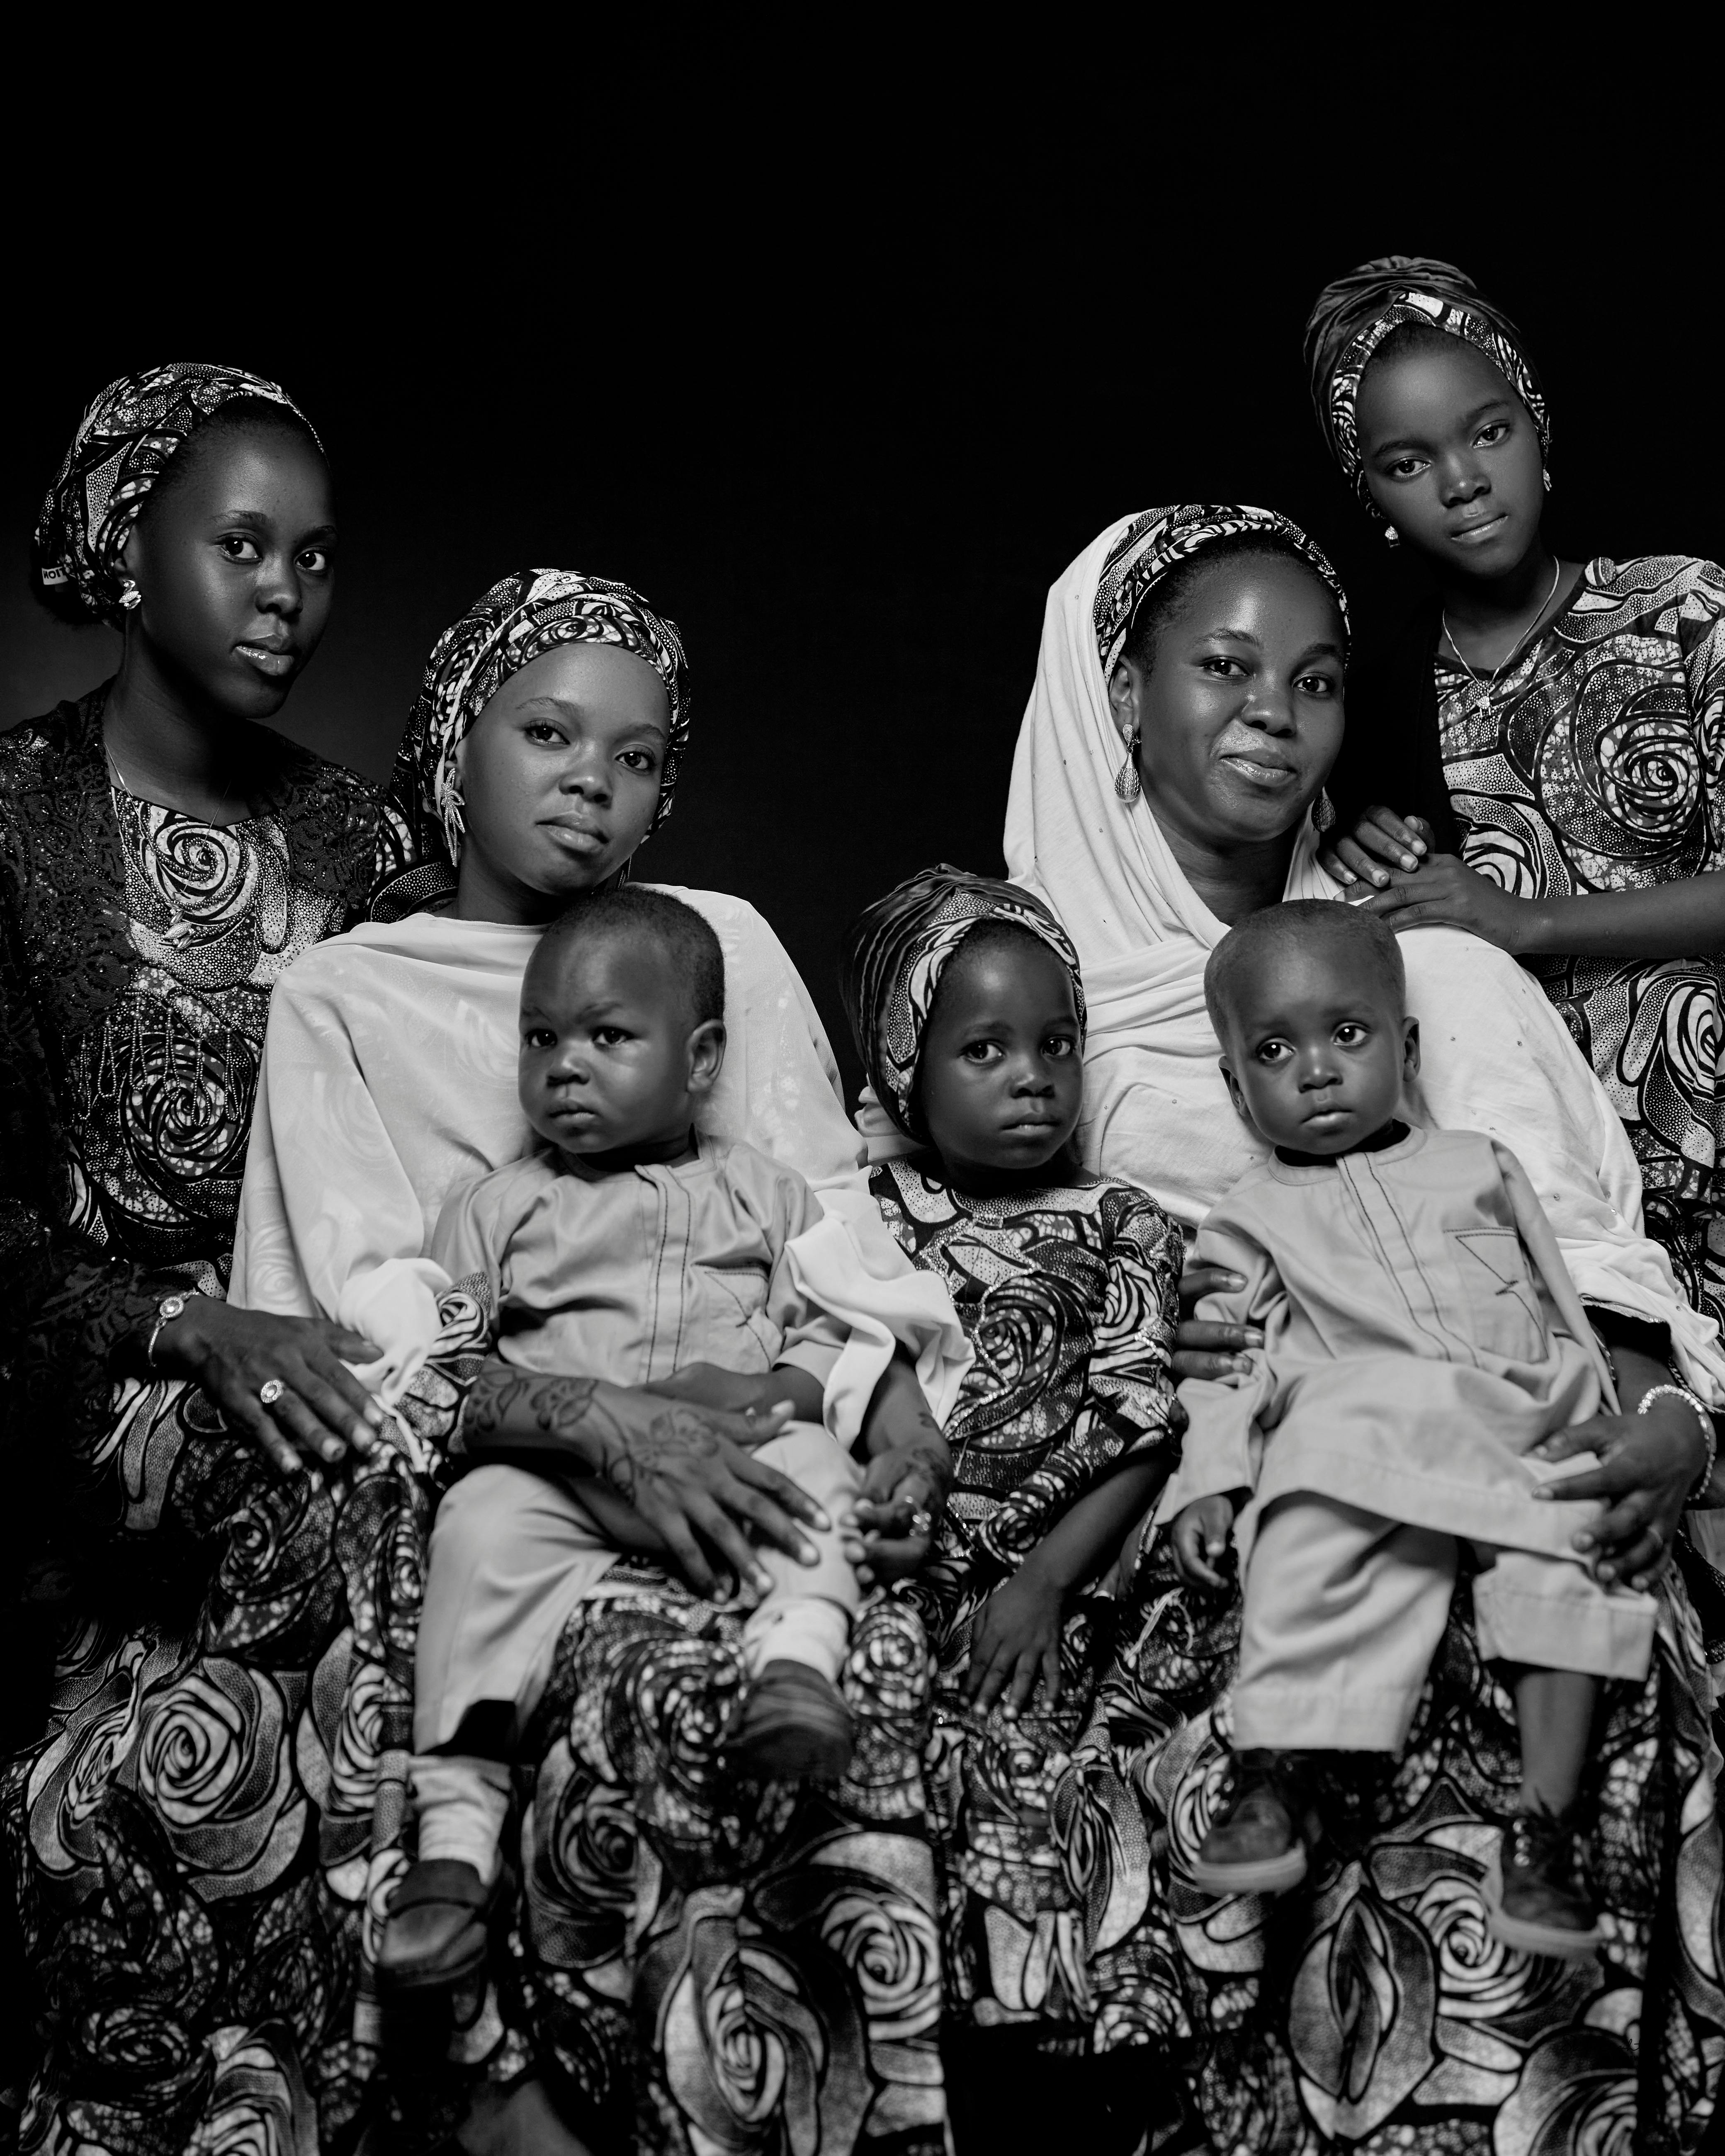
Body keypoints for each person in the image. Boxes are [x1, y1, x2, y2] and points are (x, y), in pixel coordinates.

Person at [1002, 501, 1725, 2150]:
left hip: (1520, 1461)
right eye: (1222, 667)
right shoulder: (1024, 997)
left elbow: (1581, 1265)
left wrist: (1662, 1427)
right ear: (1120, 691)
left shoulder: (1427, 968)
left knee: (1547, 1639)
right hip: (1248, 1490)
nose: (1275, 708)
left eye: (1315, 677)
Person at [232, 568, 961, 2154]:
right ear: (453, 744)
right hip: (515, 1452)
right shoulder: (343, 994)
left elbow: (827, 1226)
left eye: (637, 758)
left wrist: (891, 1399)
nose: (592, 780)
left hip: (752, 1415)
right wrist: (590, 1422)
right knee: (572, 1624)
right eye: (549, 731)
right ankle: (494, 1980)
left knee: (855, 1636)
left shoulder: (720, 946)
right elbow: (379, 1317)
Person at [0, 363, 399, 2156]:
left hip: (321, 1365)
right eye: (239, 544)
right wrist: (179, 1321)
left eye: (312, 558)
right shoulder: (11, 822)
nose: (284, 598)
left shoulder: (359, 846)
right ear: (130, 542)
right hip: (72, 1395)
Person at [382, 886, 957, 1998]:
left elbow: (851, 1334)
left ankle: (794, 1670)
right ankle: (452, 1842)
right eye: (541, 1037)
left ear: (699, 1062)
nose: (565, 1065)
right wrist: (532, 1409)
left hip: (742, 1458)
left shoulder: (770, 1199)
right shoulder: (496, 1208)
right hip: (564, 1471)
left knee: (818, 1480)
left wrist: (887, 1447)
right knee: (476, 1524)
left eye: (608, 1036)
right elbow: (442, 1369)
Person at [1168, 899, 1684, 1958]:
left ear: (1404, 1050)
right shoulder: (1240, 1223)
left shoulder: (1480, 1165)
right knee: (1307, 1518)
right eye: (1274, 1049)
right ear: (1234, 1085)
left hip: (1510, 1417)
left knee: (1569, 1550)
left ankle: (1545, 1828)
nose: (1315, 1069)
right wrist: (1209, 1480)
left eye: (1346, 1034)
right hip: (1357, 1435)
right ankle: (1280, 1772)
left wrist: (1603, 1409)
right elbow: (1224, 1369)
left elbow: (1559, 1305)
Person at [1302, 257, 1725, 1352]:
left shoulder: (1688, 606)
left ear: (1538, 427)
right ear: (1375, 501)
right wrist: (1344, 840)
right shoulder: (1383, 697)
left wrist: (1529, 920)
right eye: (1409, 462)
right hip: (1571, 1210)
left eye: (1487, 432)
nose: (1462, 480)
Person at [842, 864, 1188, 2148]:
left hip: (1062, 1582)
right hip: (901, 1576)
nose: (1033, 1077)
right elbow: (832, 1377)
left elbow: (1147, 1422)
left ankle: (1074, 2080)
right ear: (902, 1071)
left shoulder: (1121, 1222)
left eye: (1056, 1044)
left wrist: (1043, 1584)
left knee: (1050, 1778)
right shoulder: (866, 1218)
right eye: (983, 1048)